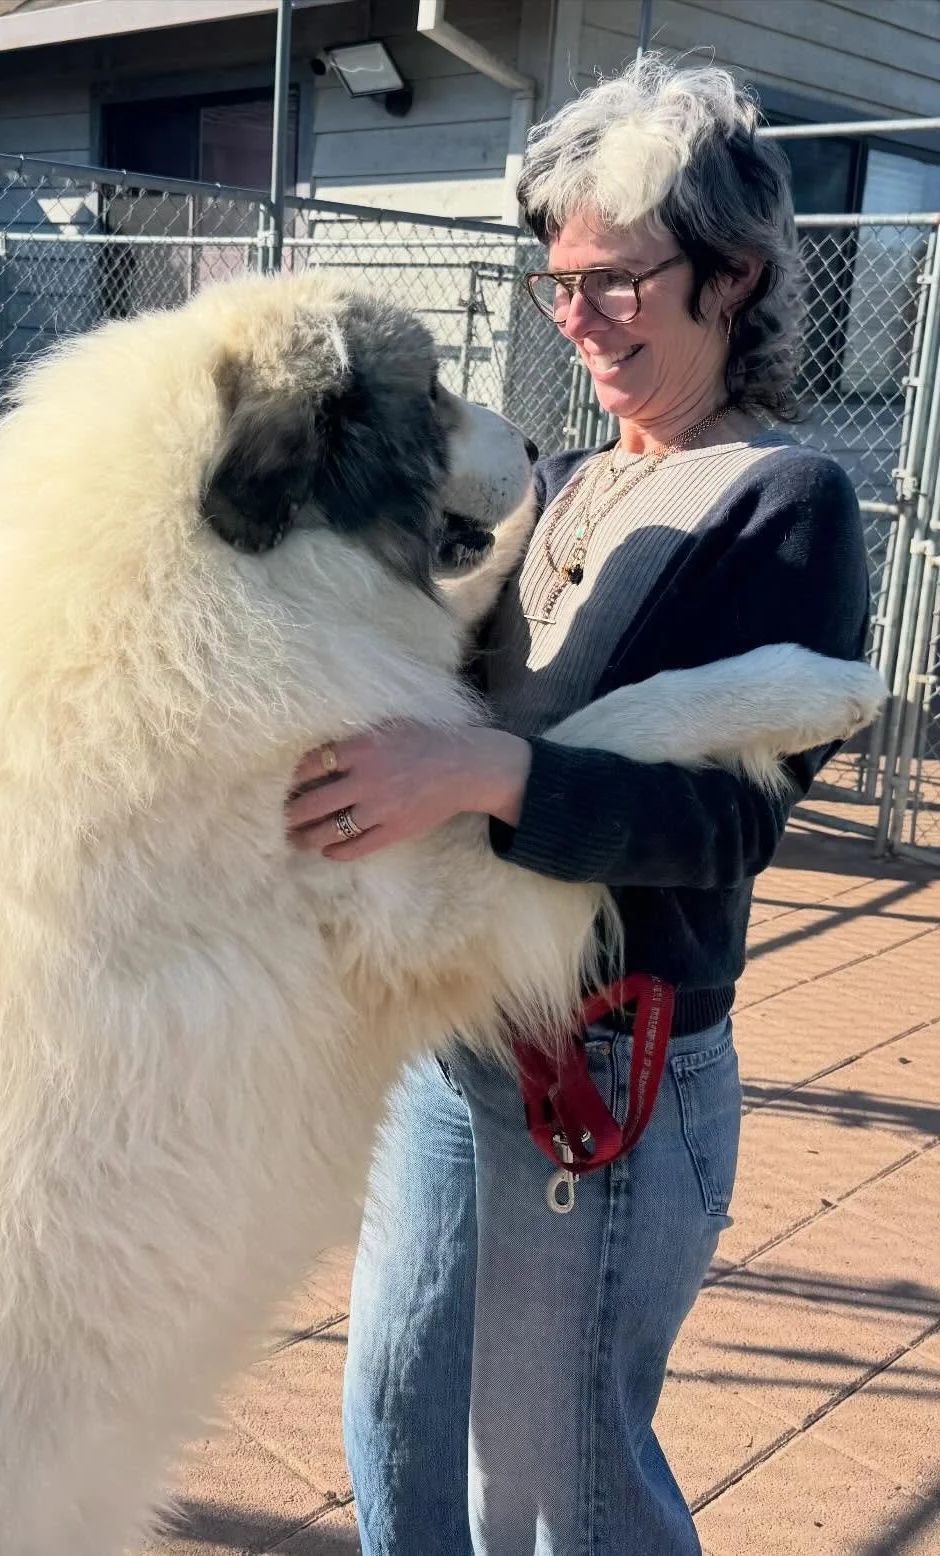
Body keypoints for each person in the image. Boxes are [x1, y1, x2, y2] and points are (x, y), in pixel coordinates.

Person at [284, 56, 871, 1556]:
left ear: (733, 276)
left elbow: (724, 834)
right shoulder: (558, 484)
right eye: (561, 284)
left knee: (557, 1495)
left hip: (613, 1061)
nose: (580, 316)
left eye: (618, 280)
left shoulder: (780, 502)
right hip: (457, 1030)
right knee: (398, 1418)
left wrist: (487, 776)